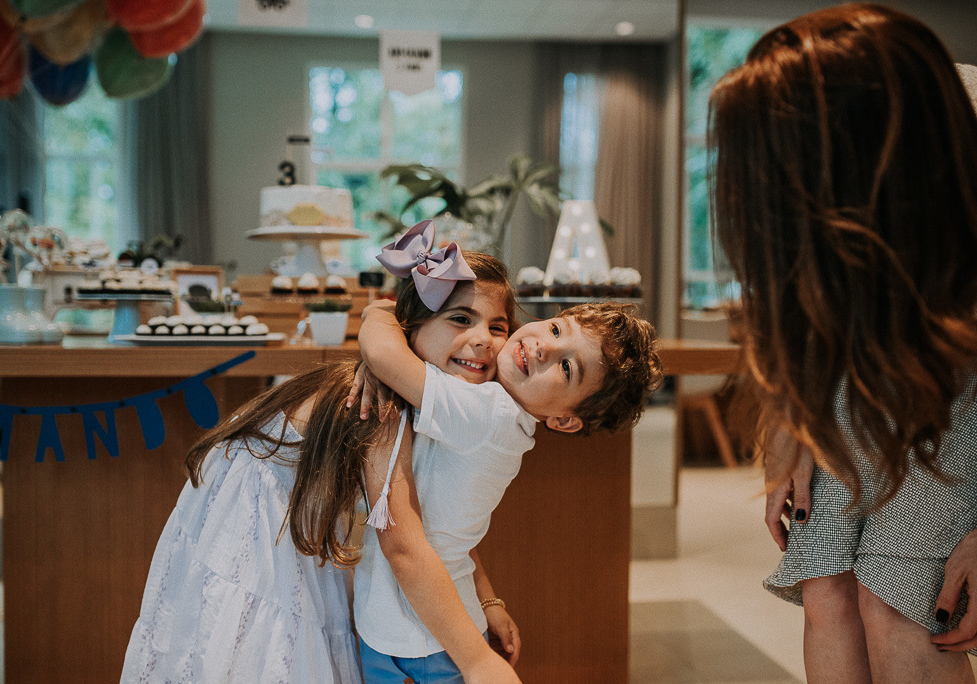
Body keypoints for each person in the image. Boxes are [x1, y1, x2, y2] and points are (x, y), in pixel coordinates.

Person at [120, 231, 528, 683]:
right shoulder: (386, 407)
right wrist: (476, 660)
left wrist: (486, 598)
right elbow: (405, 547)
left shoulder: (442, 404)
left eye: (497, 327)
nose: (483, 339)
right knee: (257, 644)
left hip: (306, 511)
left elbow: (440, 521)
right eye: (460, 319)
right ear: (410, 328)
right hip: (262, 509)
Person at [708, 4, 977, 682]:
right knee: (827, 588)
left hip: (958, 385)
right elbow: (793, 303)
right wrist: (790, 429)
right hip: (849, 380)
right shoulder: (821, 218)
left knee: (900, 601)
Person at [348, 220, 663, 682]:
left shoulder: (489, 414)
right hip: (406, 626)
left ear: (564, 420)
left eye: (567, 367)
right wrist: (489, 598)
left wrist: (378, 315)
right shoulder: (486, 406)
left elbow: (383, 355)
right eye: (555, 328)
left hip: (425, 639)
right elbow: (448, 527)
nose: (543, 349)